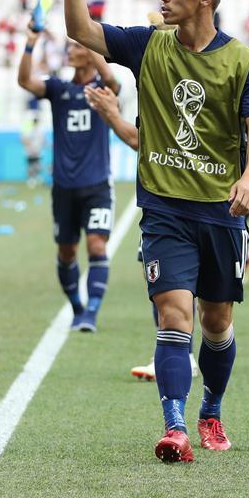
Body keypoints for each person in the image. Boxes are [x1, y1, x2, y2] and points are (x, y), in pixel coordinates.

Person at [66, 0, 249, 462]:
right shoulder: (146, 44)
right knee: (174, 315)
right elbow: (79, 29)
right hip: (163, 208)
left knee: (218, 322)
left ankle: (212, 411)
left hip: (222, 212)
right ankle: (175, 425)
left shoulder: (244, 61)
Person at [85, 81, 201, 382]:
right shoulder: (161, 76)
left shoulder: (183, 81)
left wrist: (111, 114)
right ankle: (179, 352)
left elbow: (140, 140)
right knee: (163, 284)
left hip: (186, 199)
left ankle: (185, 354)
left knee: (189, 289)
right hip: (166, 202)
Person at [18, 21, 119, 333]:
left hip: (97, 185)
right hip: (64, 186)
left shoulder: (103, 90)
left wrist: (91, 42)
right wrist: (30, 42)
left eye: (77, 46)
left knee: (97, 247)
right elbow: (24, 80)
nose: (71, 50)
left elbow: (113, 79)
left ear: (90, 54)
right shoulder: (60, 89)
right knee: (66, 252)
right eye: (72, 46)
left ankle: (91, 311)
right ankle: (76, 305)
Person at [22, 116, 46, 187]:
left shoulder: (40, 131)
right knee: (30, 165)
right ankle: (31, 179)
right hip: (30, 150)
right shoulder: (29, 130)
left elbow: (42, 140)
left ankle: (37, 177)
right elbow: (24, 139)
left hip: (37, 150)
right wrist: (29, 147)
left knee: (37, 164)